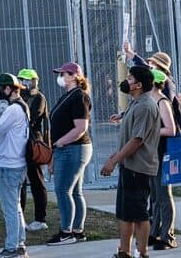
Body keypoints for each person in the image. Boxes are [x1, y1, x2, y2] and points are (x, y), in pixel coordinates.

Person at [100, 66, 160, 258]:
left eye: (130, 78)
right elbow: (129, 138)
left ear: (139, 85)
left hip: (138, 168)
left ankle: (142, 254)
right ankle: (124, 252)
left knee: (139, 214)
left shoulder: (145, 106)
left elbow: (137, 140)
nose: (126, 80)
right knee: (125, 213)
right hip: (128, 167)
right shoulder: (135, 104)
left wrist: (114, 161)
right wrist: (116, 156)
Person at [46, 62, 92, 246]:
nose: (61, 77)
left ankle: (67, 232)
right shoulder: (69, 95)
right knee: (74, 191)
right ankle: (77, 231)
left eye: (63, 73)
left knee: (63, 190)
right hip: (69, 148)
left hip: (73, 148)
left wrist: (60, 142)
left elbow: (81, 127)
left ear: (74, 76)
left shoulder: (79, 96)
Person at [0, 74, 30, 258]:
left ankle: (12, 247)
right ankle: (19, 244)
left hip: (10, 164)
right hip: (18, 163)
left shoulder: (13, 109)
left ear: (7, 89)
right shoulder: (22, 106)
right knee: (15, 206)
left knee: (10, 208)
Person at [17, 68, 50, 232]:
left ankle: (40, 218)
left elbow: (33, 119)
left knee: (36, 180)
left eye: (26, 80)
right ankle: (19, 217)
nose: (23, 83)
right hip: (19, 142)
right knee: (20, 182)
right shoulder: (17, 98)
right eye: (21, 80)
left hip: (33, 142)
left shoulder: (38, 98)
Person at [150, 68, 178, 250]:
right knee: (154, 196)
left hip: (162, 153)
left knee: (163, 195)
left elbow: (171, 129)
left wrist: (149, 132)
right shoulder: (148, 100)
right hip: (150, 154)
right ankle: (155, 231)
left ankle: (167, 235)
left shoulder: (162, 101)